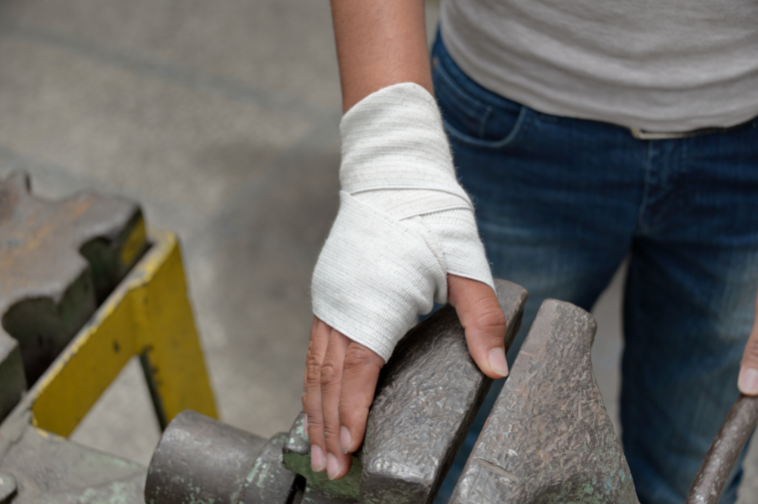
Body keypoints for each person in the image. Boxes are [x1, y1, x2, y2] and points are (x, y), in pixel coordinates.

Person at [301, 0, 758, 502]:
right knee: (461, 453)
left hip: (745, 135)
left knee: (691, 470)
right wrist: (391, 159)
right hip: (510, 115)